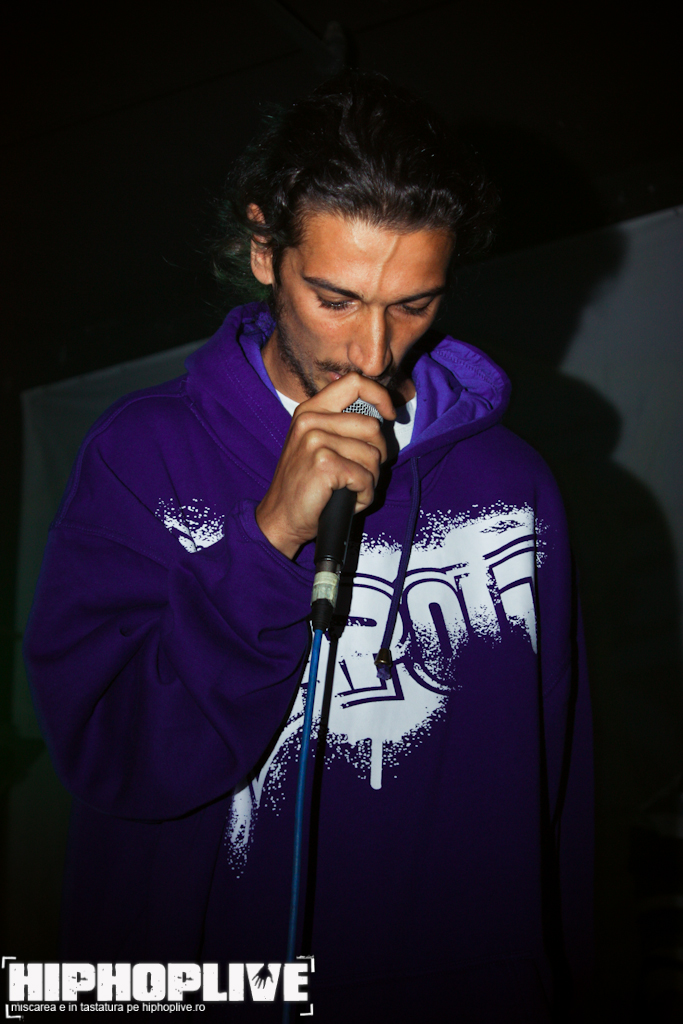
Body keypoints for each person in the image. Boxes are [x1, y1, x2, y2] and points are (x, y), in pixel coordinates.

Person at [24, 73, 593, 1022]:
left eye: (413, 305)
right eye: (335, 298)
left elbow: (557, 782)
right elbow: (111, 753)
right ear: (263, 249)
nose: (372, 351)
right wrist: (268, 536)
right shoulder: (143, 456)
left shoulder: (514, 486)